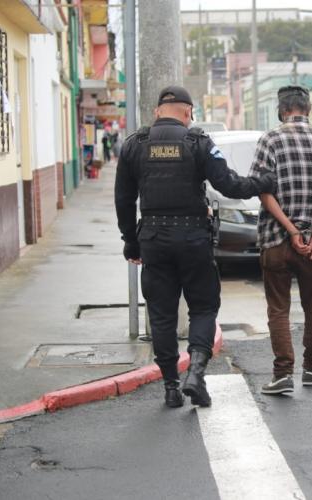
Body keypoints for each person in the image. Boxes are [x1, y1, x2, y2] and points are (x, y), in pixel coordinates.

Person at [115, 86, 276, 408]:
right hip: (193, 237)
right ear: (188, 113)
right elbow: (228, 184)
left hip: (153, 240)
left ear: (158, 111)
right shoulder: (198, 142)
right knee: (203, 307)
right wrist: (264, 182)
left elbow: (123, 199)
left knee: (161, 315)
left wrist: (131, 242)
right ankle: (196, 374)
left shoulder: (134, 144)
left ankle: (171, 387)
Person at [250, 86, 312, 395]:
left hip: (277, 239)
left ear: (282, 110)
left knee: (278, 309)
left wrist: (291, 229)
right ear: (309, 108)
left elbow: (263, 191)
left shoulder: (270, 139)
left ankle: (282, 375)